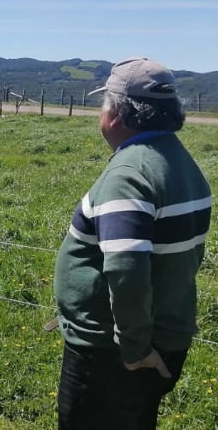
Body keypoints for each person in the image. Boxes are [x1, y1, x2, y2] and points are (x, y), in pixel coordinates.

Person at [53, 58, 212, 429]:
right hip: (165, 335)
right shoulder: (182, 164)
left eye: (104, 103)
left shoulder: (129, 174)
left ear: (118, 114)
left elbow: (126, 268)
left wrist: (135, 349)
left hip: (113, 352)